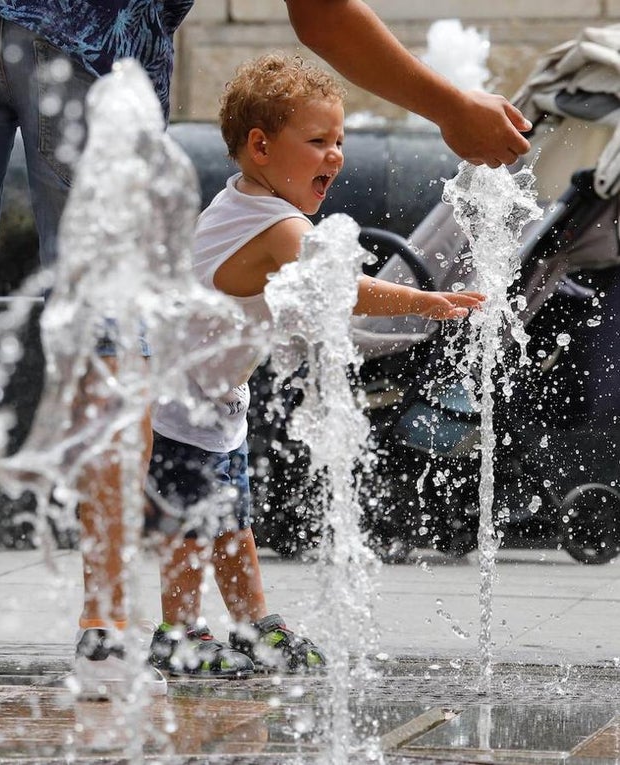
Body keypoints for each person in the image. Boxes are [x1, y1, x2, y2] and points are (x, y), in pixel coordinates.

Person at [0, 0, 529, 689]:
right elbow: (321, 14)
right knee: (108, 327)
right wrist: (448, 107)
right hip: (89, 46)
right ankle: (106, 631)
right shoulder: (269, 224)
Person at [145, 53, 487, 678]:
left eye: (340, 141)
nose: (336, 155)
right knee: (194, 526)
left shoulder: (240, 203)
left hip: (207, 398)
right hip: (178, 400)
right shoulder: (276, 225)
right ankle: (179, 634)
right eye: (318, 141)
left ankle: (251, 625)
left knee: (230, 522)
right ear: (261, 146)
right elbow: (344, 286)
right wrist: (424, 301)